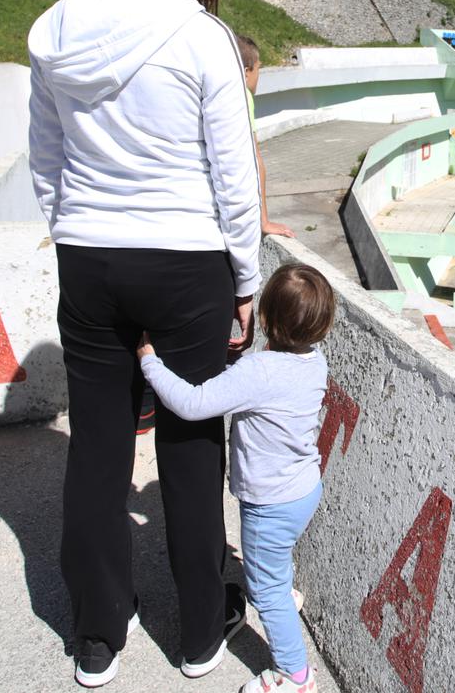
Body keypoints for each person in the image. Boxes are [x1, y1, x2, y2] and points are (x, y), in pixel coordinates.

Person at [28, 0, 261, 688]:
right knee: (190, 444)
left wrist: (73, 234)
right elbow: (232, 172)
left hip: (89, 253)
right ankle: (199, 635)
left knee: (97, 444)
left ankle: (97, 634)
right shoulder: (203, 37)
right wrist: (245, 277)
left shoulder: (57, 22)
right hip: (185, 259)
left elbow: (46, 153)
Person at [138, 263, 332, 693]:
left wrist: (150, 364)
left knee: (265, 590)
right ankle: (282, 592)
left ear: (263, 319)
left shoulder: (258, 371)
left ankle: (294, 676)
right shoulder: (315, 363)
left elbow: (192, 403)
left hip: (270, 501)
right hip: (303, 489)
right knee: (274, 560)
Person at [235, 34, 295, 239]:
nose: (259, 74)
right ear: (246, 72)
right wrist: (264, 221)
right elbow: (255, 161)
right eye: (258, 68)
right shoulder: (243, 97)